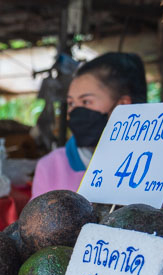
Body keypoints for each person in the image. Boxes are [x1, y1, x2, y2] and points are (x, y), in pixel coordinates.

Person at [31, 52, 148, 198]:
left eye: (86, 102)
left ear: (123, 105)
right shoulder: (51, 166)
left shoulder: (150, 164)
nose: (73, 112)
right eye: (71, 103)